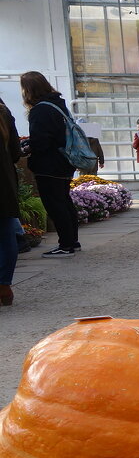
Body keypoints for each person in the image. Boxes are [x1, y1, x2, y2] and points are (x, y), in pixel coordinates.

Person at [21, 71, 80, 258]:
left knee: (55, 204)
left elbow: (41, 142)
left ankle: (66, 245)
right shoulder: (58, 104)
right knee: (64, 201)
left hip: (49, 165)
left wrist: (26, 148)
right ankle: (73, 241)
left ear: (28, 90)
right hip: (64, 161)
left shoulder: (40, 110)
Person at [0, 96, 21, 304]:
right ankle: (4, 287)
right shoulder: (4, 113)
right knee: (6, 236)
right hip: (3, 186)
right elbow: (16, 153)